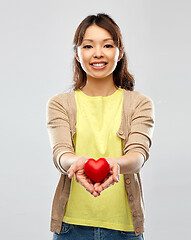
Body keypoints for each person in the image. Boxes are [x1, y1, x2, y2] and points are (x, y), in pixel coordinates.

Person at [46, 13, 155, 240]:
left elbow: (138, 155)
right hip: (70, 229)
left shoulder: (139, 103)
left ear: (120, 52)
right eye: (88, 46)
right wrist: (77, 163)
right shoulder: (59, 104)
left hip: (125, 230)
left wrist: (114, 164)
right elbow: (61, 154)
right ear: (77, 53)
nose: (98, 53)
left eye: (107, 45)